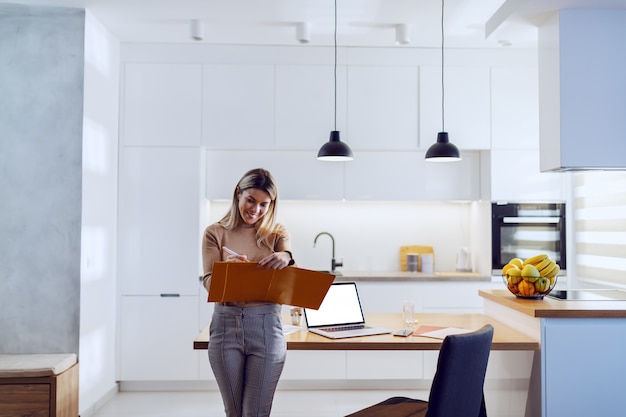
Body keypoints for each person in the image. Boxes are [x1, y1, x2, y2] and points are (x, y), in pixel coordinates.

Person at [201, 168, 295, 417]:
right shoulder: (215, 233)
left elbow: (288, 260)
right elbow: (210, 284)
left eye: (264, 204)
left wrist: (285, 257)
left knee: (256, 412)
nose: (256, 209)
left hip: (266, 328)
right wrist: (228, 273)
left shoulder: (277, 233)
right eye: (251, 200)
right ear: (238, 194)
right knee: (233, 412)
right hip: (225, 326)